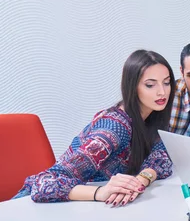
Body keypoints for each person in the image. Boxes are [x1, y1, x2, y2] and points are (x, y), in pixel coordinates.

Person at [15, 50, 176, 205]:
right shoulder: (114, 129)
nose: (162, 92)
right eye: (150, 85)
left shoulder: (153, 116)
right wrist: (101, 192)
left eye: (167, 83)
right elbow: (44, 184)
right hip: (30, 208)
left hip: (88, 211)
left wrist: (141, 180)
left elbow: (160, 157)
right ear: (132, 87)